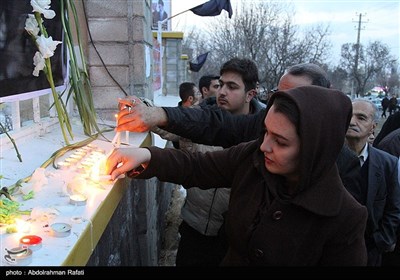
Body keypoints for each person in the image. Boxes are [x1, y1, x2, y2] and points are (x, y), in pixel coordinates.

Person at [107, 86, 368, 266]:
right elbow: (198, 167)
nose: (265, 145)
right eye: (266, 132)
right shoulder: (253, 157)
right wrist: (147, 157)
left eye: (281, 142)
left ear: (315, 149)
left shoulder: (345, 218)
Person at [116, 63, 361, 192]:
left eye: (282, 142)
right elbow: (204, 155)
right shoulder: (254, 145)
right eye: (279, 95)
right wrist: (147, 151)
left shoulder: (344, 172)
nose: (264, 146)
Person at [154, 58, 263, 266]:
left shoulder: (263, 136)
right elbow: (166, 123)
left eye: (232, 87)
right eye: (221, 84)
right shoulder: (200, 119)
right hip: (193, 228)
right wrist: (143, 109)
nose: (222, 92)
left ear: (251, 94)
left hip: (232, 241)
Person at [345, 98, 400, 266]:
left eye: (361, 118)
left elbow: (394, 209)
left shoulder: (387, 164)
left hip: (371, 253)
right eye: (350, 116)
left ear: (373, 127)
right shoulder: (328, 158)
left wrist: (381, 241)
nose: (353, 122)